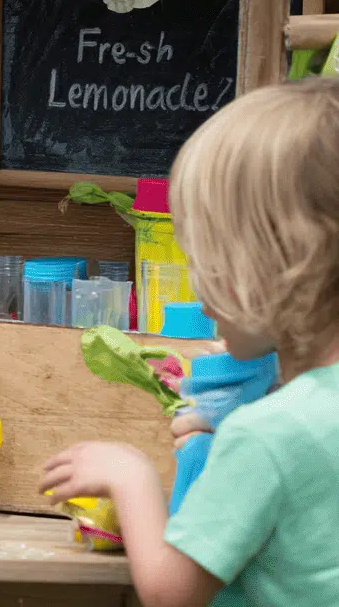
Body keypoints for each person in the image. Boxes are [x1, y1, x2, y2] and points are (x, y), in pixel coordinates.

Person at [40, 77, 339, 607]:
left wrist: (131, 479)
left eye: (202, 261)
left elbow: (171, 593)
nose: (199, 290)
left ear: (256, 273)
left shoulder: (267, 434)